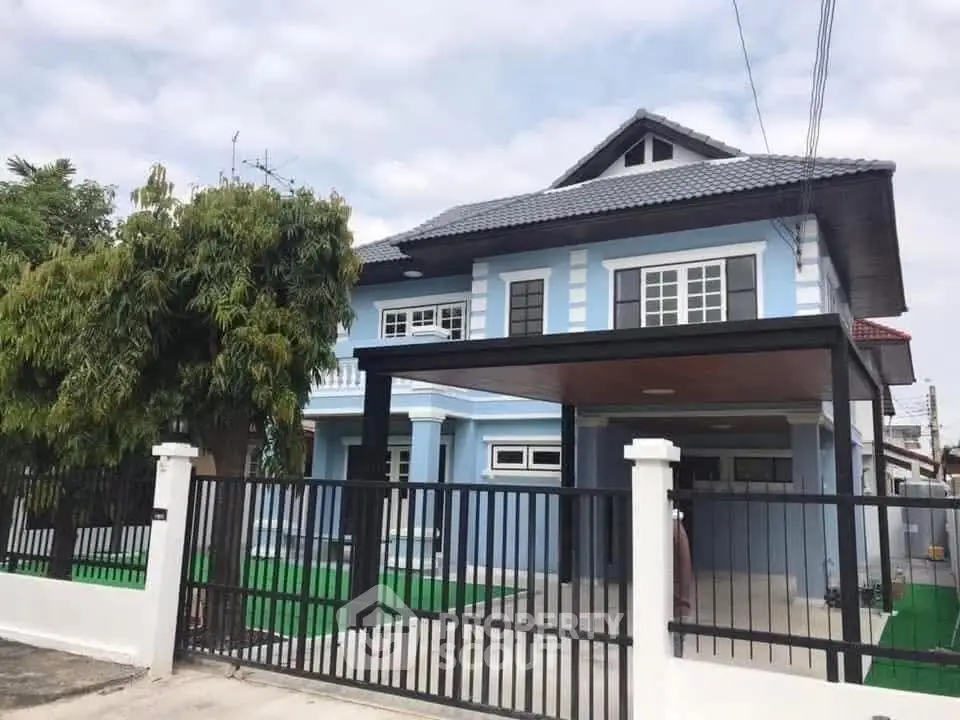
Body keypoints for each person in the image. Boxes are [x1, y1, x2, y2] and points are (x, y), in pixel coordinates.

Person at [673, 509, 694, 658]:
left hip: (677, 606)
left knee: (673, 656)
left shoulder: (672, 533)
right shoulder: (679, 531)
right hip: (681, 605)